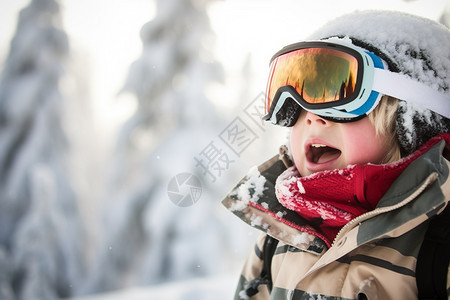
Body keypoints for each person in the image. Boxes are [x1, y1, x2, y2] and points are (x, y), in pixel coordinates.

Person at [222, 10, 450, 300]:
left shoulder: (437, 240)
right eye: (298, 104)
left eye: (340, 94)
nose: (312, 118)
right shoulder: (278, 233)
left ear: (410, 121)